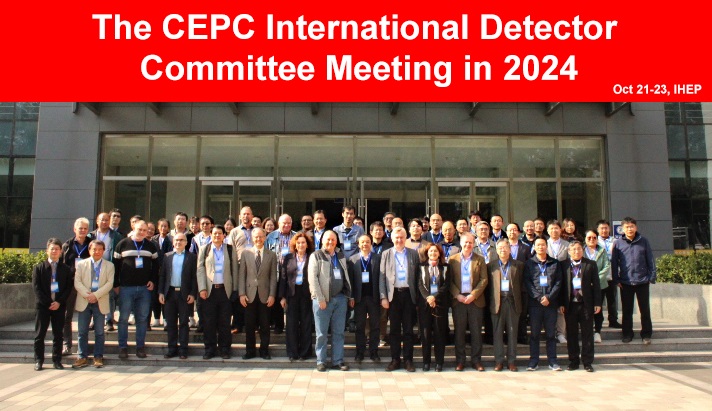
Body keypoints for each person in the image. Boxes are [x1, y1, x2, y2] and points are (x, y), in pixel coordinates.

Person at [113, 220, 159, 359]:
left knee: (142, 319)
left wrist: (152, 280)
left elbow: (156, 266)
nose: (142, 232)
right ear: (133, 228)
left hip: (144, 289)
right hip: (126, 288)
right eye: (140, 229)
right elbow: (115, 266)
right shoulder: (122, 244)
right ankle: (122, 347)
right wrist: (116, 284)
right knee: (123, 318)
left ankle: (140, 347)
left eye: (145, 230)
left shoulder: (150, 246)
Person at [308, 230, 352, 372]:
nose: (330, 242)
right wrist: (319, 297)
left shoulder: (340, 255)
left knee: (339, 332)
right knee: (321, 334)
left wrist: (348, 295)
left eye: (333, 239)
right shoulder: (316, 255)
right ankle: (321, 361)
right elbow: (313, 279)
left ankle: (337, 361)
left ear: (336, 241)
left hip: (340, 299)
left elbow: (346, 276)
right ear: (322, 240)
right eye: (328, 239)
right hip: (322, 300)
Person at [379, 227, 419, 372]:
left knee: (408, 329)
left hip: (409, 295)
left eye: (402, 237)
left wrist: (418, 298)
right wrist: (383, 297)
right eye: (396, 237)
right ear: (392, 238)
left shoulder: (413, 254)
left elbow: (417, 276)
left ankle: (408, 360)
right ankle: (395, 359)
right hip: (393, 295)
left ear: (405, 238)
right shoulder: (386, 254)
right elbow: (382, 277)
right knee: (394, 330)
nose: (399, 240)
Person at [611, 217, 656, 344]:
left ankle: (646, 334)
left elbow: (650, 259)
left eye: (631, 226)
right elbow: (614, 263)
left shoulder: (644, 241)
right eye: (627, 227)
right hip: (626, 282)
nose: (629, 229)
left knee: (644, 310)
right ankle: (627, 334)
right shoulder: (618, 243)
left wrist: (651, 277)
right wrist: (616, 279)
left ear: (636, 227)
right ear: (622, 229)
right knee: (627, 310)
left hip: (642, 281)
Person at [559, 241, 602, 372]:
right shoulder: (563, 265)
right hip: (570, 305)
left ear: (582, 250)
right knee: (571, 334)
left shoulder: (590, 264)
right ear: (569, 251)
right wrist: (561, 303)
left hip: (586, 304)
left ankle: (587, 362)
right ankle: (573, 361)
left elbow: (596, 285)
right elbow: (561, 286)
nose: (577, 252)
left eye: (579, 249)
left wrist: (597, 303)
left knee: (587, 334)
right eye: (574, 249)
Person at [197, 225, 238, 359]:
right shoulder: (205, 249)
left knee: (225, 322)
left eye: (220, 233)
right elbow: (200, 270)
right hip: (210, 291)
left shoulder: (230, 249)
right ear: (211, 235)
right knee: (209, 322)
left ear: (224, 235)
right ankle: (210, 349)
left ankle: (225, 349)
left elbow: (235, 270)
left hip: (225, 291)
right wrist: (202, 288)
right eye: (214, 233)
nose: (217, 236)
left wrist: (235, 289)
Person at [449, 232, 488, 371]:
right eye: (465, 242)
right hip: (459, 300)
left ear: (474, 244)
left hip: (475, 300)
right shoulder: (452, 259)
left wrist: (473, 295)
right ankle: (460, 361)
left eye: (470, 242)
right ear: (461, 243)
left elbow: (484, 279)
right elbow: (449, 280)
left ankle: (476, 361)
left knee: (476, 332)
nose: (468, 245)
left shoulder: (480, 259)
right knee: (459, 332)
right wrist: (457, 295)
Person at [73, 240, 115, 369]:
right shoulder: (81, 264)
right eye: (94, 249)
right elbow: (77, 282)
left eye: (100, 249)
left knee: (100, 332)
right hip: (84, 300)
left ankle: (98, 356)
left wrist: (95, 295)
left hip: (100, 301)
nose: (97, 252)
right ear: (89, 250)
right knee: (82, 331)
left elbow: (109, 283)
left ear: (103, 251)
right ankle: (82, 356)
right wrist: (88, 295)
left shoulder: (109, 265)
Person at [32, 238, 71, 371]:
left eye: (57, 249)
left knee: (58, 335)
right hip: (43, 306)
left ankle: (57, 360)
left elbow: (68, 288)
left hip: (59, 306)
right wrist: (49, 303)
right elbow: (36, 288)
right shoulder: (39, 268)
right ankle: (39, 360)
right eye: (52, 249)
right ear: (47, 251)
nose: (54, 251)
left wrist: (59, 302)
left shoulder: (66, 269)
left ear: (61, 252)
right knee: (40, 335)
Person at [524, 237, 563, 371]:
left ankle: (553, 361)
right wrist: (540, 297)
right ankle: (533, 361)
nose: (541, 247)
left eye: (543, 245)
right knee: (534, 335)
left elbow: (558, 282)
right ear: (534, 247)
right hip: (535, 305)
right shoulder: (529, 263)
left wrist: (549, 297)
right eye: (538, 245)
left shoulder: (555, 263)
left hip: (550, 304)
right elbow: (528, 283)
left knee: (551, 335)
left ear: (547, 246)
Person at [239, 228, 278, 359]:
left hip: (265, 295)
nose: (258, 239)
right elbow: (242, 275)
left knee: (265, 325)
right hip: (249, 294)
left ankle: (264, 351)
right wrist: (241, 294)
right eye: (256, 237)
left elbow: (273, 277)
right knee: (249, 325)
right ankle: (250, 351)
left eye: (261, 236)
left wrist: (272, 295)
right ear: (252, 238)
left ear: (265, 238)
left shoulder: (271, 255)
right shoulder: (245, 253)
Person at [158, 233, 197, 360]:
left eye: (181, 240)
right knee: (171, 323)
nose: (179, 242)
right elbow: (162, 276)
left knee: (184, 323)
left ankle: (183, 350)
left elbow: (194, 277)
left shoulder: (192, 257)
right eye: (176, 240)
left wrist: (193, 293)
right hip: (170, 293)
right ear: (173, 242)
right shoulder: (167, 256)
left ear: (186, 242)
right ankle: (172, 349)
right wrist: (161, 292)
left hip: (184, 294)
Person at [488, 239, 525, 372]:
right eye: (500, 248)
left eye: (505, 247)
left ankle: (511, 361)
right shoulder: (491, 266)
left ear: (510, 249)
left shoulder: (519, 265)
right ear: (496, 251)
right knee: (497, 334)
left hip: (513, 302)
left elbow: (522, 285)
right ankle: (499, 361)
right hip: (497, 303)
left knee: (512, 333)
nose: (503, 250)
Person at [279, 232, 315, 361]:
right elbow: (283, 278)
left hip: (307, 294)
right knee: (291, 324)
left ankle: (305, 352)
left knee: (306, 323)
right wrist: (282, 297)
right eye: (298, 243)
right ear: (295, 244)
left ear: (307, 244)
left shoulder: (312, 257)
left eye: (303, 242)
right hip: (292, 294)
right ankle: (292, 352)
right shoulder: (288, 258)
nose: (301, 245)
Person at [60, 217, 92, 356]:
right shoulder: (67, 245)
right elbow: (62, 265)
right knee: (67, 315)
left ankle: (83, 345)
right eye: (80, 228)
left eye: (85, 228)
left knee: (85, 315)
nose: (83, 231)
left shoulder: (91, 244)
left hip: (86, 284)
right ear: (75, 229)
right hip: (70, 284)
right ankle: (66, 344)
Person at [348, 234, 382, 363]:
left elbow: (381, 278)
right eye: (362, 242)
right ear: (358, 244)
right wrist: (351, 296)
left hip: (374, 297)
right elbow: (350, 280)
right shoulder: (352, 260)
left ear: (371, 244)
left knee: (375, 326)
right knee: (360, 326)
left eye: (367, 242)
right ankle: (360, 352)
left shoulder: (378, 258)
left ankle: (374, 352)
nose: (365, 244)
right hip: (359, 298)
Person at [417, 242, 450, 372]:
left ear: (439, 254)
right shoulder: (421, 267)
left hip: (440, 304)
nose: (433, 253)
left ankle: (439, 362)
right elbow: (420, 284)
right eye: (431, 251)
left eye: (435, 251)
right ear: (427, 253)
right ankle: (426, 362)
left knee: (439, 334)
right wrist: (428, 297)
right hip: (425, 304)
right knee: (425, 334)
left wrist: (435, 297)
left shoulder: (446, 267)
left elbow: (446, 285)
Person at [90, 212, 124, 332]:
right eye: (102, 220)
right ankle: (94, 320)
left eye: (106, 220)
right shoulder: (91, 236)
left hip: (109, 268)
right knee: (94, 293)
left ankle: (109, 320)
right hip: (93, 268)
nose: (104, 222)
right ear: (97, 221)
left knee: (109, 296)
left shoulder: (116, 236)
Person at [266, 214, 296, 334]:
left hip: (292, 273)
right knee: (277, 300)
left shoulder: (296, 236)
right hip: (276, 272)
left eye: (289, 223)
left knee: (292, 300)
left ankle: (292, 326)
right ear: (279, 223)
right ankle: (278, 325)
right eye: (284, 223)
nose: (286, 225)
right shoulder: (271, 236)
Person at [584, 229, 611, 343]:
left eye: (594, 237)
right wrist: (587, 281)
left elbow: (606, 266)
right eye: (589, 237)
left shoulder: (602, 250)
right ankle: (588, 331)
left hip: (600, 285)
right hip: (584, 286)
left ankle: (597, 332)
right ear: (585, 239)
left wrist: (595, 280)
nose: (592, 239)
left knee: (598, 309)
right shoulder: (581, 250)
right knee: (586, 309)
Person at [507, 223, 532, 345]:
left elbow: (529, 266)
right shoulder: (502, 246)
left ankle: (522, 336)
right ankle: (508, 336)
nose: (512, 232)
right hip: (506, 285)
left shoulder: (525, 248)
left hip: (521, 285)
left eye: (514, 230)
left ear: (518, 232)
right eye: (510, 230)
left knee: (521, 312)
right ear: (506, 232)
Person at [547, 220, 570, 344]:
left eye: (556, 228)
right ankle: (550, 332)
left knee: (561, 307)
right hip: (548, 280)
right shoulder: (543, 244)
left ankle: (561, 333)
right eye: (551, 228)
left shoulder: (567, 244)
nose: (554, 231)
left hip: (563, 279)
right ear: (547, 230)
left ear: (560, 230)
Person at [597, 219, 622, 328]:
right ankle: (598, 321)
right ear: (598, 230)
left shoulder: (615, 241)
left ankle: (613, 320)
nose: (604, 230)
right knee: (599, 299)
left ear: (609, 229)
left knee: (612, 299)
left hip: (612, 274)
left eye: (606, 228)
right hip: (600, 275)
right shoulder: (595, 241)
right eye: (602, 228)